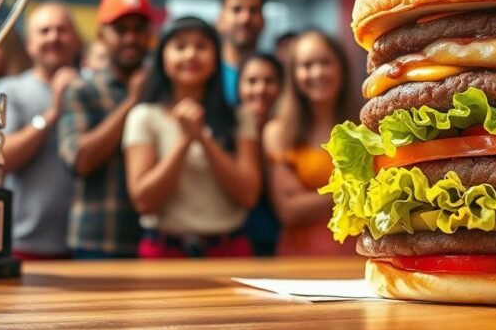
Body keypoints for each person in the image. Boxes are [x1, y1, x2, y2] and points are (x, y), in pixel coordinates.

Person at [123, 17, 261, 258]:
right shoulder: (143, 116)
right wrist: (184, 141)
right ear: (162, 57)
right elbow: (144, 201)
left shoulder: (240, 117)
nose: (191, 55)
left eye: (201, 46)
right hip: (164, 252)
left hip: (228, 250)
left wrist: (203, 140)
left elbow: (248, 196)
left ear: (216, 57)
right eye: (180, 46)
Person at [58, 0, 154, 259]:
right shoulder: (82, 90)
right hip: (98, 240)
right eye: (121, 30)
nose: (131, 38)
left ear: (150, 34)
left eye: (138, 29)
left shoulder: (162, 90)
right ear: (101, 35)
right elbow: (79, 160)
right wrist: (132, 101)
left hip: (156, 242)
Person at [0, 2, 82, 260]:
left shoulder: (93, 90)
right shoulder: (9, 89)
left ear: (75, 40)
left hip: (84, 246)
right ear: (30, 44)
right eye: (44, 31)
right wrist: (52, 112)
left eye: (61, 30)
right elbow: (0, 160)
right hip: (22, 244)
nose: (53, 37)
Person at [264, 30, 356, 256]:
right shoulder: (277, 132)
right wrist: (353, 192)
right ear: (294, 75)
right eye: (306, 65)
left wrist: (310, 199)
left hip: (359, 255)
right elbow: (288, 210)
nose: (317, 72)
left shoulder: (365, 127)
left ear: (341, 68)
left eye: (325, 63)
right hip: (299, 258)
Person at [237, 53, 285, 257]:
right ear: (239, 86)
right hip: (236, 241)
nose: (260, 89)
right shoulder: (227, 133)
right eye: (252, 81)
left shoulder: (290, 133)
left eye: (269, 81)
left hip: (281, 240)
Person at [216, 0, 265, 106]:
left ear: (263, 20)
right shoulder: (205, 74)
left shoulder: (277, 76)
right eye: (236, 9)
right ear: (220, 20)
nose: (245, 18)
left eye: (253, 10)